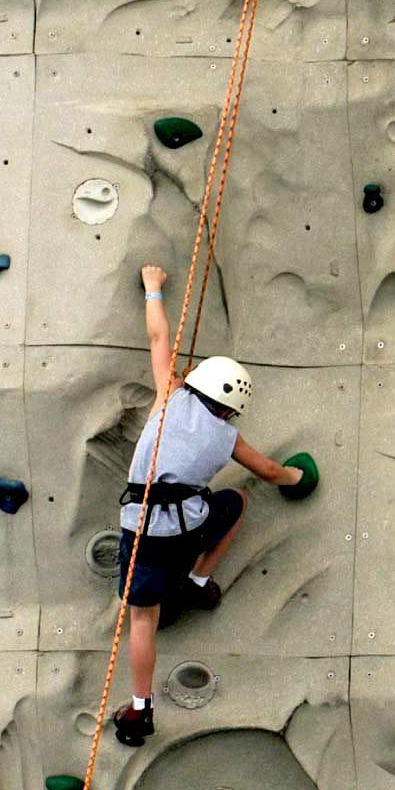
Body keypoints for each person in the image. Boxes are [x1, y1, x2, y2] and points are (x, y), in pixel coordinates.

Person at [112, 264, 317, 746]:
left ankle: (141, 709)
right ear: (229, 409)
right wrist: (297, 476)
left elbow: (159, 337)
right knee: (237, 501)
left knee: (143, 618)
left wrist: (153, 288)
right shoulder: (227, 438)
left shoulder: (168, 397)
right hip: (188, 530)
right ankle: (199, 582)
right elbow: (267, 471)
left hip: (142, 532)